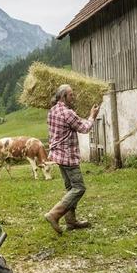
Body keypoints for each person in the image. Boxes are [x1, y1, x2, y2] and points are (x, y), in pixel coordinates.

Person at [44, 84, 99, 234]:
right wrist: (92, 116)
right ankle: (54, 214)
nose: (73, 97)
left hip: (58, 155)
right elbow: (85, 128)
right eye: (71, 95)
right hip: (68, 156)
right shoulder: (67, 113)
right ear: (63, 97)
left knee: (70, 188)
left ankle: (71, 221)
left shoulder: (52, 110)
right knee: (79, 188)